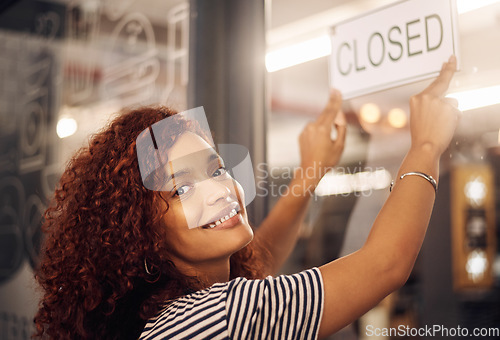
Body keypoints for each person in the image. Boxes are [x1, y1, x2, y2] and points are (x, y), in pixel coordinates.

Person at [33, 56, 459, 340]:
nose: (218, 191)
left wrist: (310, 172)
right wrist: (425, 146)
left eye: (217, 170)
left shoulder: (168, 316)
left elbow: (261, 258)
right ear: (141, 235)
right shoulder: (212, 316)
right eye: (181, 188)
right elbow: (385, 264)